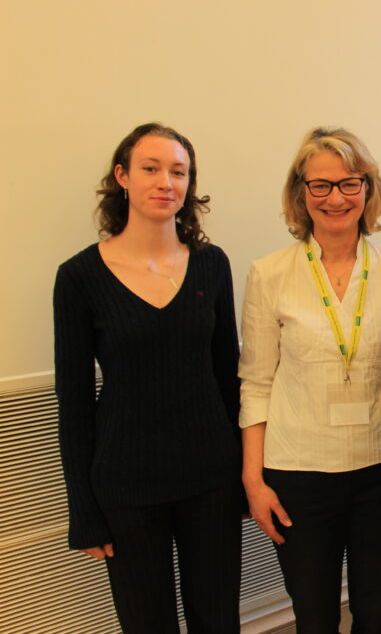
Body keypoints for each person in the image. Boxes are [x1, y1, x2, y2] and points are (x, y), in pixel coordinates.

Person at [53, 122, 242, 632]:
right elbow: (73, 402)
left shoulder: (211, 265)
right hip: (126, 485)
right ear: (122, 177)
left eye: (178, 172)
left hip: (212, 480)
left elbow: (229, 378)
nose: (166, 182)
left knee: (218, 620)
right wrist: (83, 510)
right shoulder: (79, 277)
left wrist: (247, 476)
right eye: (151, 168)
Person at [239, 127, 381, 634]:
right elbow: (255, 384)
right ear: (301, 192)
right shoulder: (269, 274)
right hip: (299, 473)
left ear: (368, 189)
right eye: (321, 185)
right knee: (314, 616)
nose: (336, 198)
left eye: (349, 183)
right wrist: (253, 481)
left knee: (375, 614)